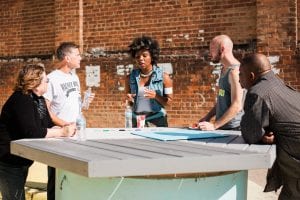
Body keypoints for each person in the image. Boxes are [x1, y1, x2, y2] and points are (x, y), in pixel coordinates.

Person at [0, 64, 75, 200]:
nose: (48, 82)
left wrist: (62, 128)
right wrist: (61, 132)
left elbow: (46, 124)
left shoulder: (38, 100)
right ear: (35, 83)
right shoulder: (21, 100)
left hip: (21, 159)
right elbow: (32, 132)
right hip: (8, 160)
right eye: (46, 80)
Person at [239, 53, 300, 200]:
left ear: (252, 76)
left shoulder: (257, 92)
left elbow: (251, 133)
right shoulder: (280, 84)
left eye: (240, 74)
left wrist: (261, 134)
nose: (239, 79)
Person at [43, 42, 94, 200]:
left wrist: (86, 102)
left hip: (75, 132)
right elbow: (47, 111)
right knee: (55, 176)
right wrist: (65, 127)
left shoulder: (75, 76)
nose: (80, 58)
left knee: (73, 174)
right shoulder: (51, 79)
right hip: (59, 134)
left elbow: (76, 107)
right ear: (67, 58)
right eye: (77, 55)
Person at [197, 35, 244, 130]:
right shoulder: (224, 69)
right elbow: (222, 100)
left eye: (212, 49)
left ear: (222, 49)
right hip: (222, 127)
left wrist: (214, 125)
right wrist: (208, 117)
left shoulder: (235, 72)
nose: (209, 53)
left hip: (233, 129)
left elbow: (237, 105)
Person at [125, 36, 173, 127]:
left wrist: (156, 96)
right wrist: (129, 99)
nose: (141, 59)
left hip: (157, 120)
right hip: (137, 120)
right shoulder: (130, 78)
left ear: (152, 56)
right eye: (137, 56)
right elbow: (129, 100)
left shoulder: (164, 77)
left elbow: (169, 102)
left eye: (144, 55)